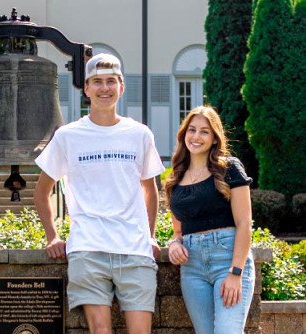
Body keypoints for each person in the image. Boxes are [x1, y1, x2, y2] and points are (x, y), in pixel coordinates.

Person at [34, 53, 165, 334]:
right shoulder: (68, 136)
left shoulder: (140, 134)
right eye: (97, 82)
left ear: (121, 87)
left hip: (134, 250)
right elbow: (42, 191)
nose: (104, 88)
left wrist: (150, 235)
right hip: (87, 249)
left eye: (111, 81)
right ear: (87, 88)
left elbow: (150, 190)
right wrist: (52, 235)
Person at [165, 106, 255, 334]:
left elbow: (244, 223)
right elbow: (178, 231)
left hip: (227, 259)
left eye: (204, 132)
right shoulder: (176, 176)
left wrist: (236, 272)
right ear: (184, 134)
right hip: (192, 267)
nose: (196, 137)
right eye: (192, 130)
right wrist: (175, 243)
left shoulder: (229, 167)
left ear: (215, 138)